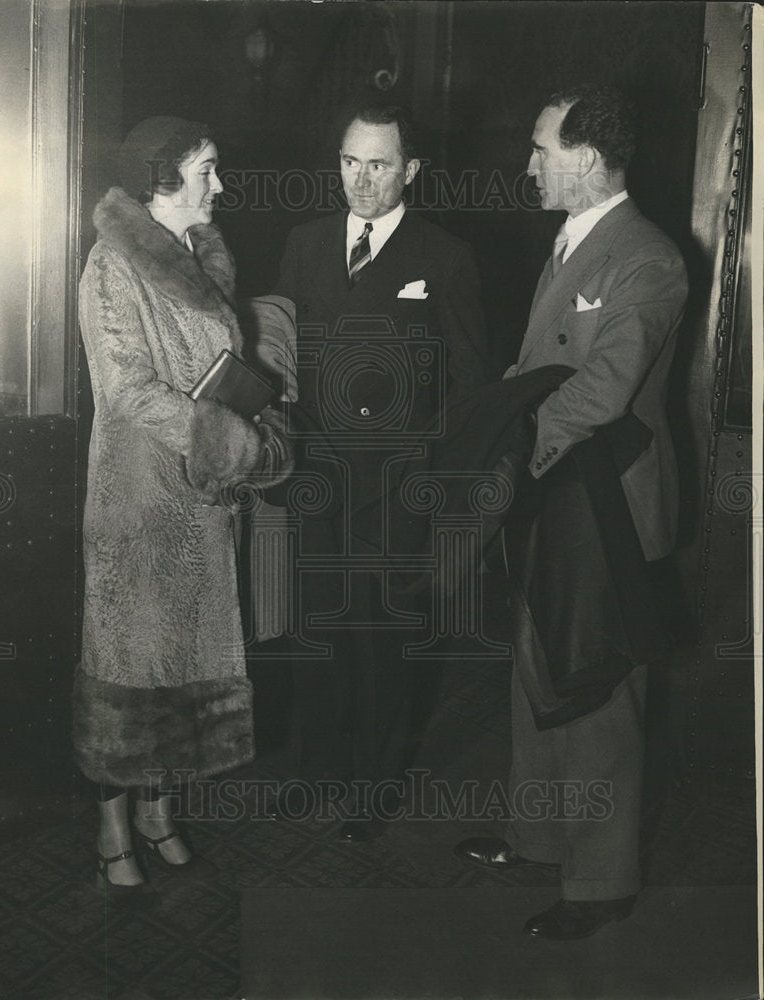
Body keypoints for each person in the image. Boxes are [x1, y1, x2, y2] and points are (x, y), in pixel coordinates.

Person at [455, 85, 688, 938]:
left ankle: (600, 885)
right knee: (534, 670)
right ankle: (540, 837)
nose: (527, 164)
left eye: (540, 148)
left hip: (608, 505)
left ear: (585, 160)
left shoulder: (647, 257)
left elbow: (604, 386)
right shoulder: (569, 242)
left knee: (594, 689)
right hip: (555, 495)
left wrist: (513, 447)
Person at [73, 116, 291, 904]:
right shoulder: (110, 266)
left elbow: (218, 367)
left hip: (198, 507)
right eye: (207, 171)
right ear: (163, 180)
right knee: (127, 676)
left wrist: (259, 410)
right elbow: (127, 389)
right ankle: (111, 835)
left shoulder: (202, 254)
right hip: (135, 504)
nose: (220, 186)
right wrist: (229, 440)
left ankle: (161, 814)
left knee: (184, 671)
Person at [272, 103, 490, 840]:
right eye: (348, 162)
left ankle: (372, 789)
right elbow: (282, 362)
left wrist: (441, 489)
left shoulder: (445, 257)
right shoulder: (302, 246)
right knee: (317, 633)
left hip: (398, 488)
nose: (360, 181)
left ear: (410, 171)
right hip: (317, 478)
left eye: (378, 164)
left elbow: (467, 386)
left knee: (383, 642)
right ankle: (314, 775)